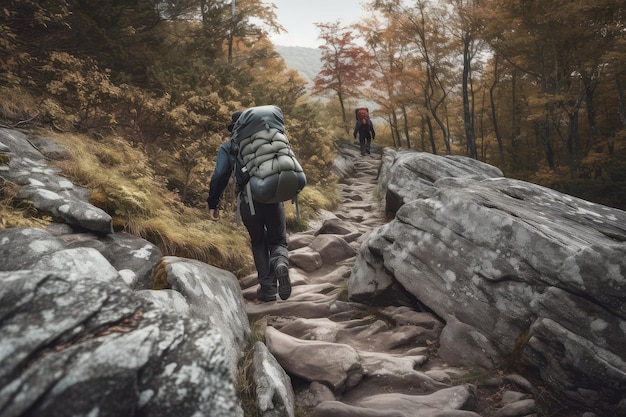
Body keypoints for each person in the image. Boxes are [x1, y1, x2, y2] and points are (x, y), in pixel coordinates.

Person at [207, 111, 291, 302]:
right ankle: (280, 263)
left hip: (248, 202)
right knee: (277, 240)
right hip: (273, 198)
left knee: (258, 242)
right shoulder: (268, 141)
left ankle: (268, 291)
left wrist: (213, 203)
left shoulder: (229, 147)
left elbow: (219, 176)